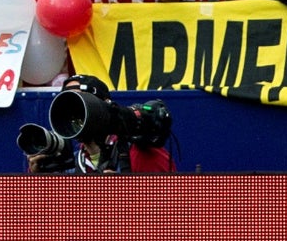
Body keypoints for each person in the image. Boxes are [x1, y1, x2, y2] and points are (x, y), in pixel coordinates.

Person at [26, 74, 175, 173]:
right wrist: (39, 184)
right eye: (67, 105)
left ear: (104, 105)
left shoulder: (141, 154)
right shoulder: (72, 163)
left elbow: (169, 214)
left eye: (80, 102)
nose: (73, 112)